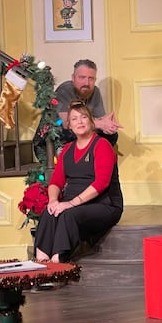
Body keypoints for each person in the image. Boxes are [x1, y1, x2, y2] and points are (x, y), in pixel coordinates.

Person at [34, 100, 123, 263]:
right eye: (74, 119)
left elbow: (101, 183)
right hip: (73, 204)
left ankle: (58, 261)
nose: (80, 122)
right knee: (49, 213)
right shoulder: (67, 150)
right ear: (69, 125)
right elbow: (56, 182)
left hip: (104, 204)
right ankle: (41, 263)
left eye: (83, 117)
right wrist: (53, 201)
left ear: (91, 122)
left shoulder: (102, 145)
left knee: (68, 216)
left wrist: (72, 203)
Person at [55, 59, 122, 146]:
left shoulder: (95, 91)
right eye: (82, 77)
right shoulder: (64, 90)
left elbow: (99, 119)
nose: (86, 83)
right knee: (70, 132)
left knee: (112, 136)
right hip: (57, 126)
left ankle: (98, 158)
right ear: (73, 78)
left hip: (84, 128)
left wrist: (108, 123)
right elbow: (66, 123)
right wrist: (99, 123)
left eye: (91, 78)